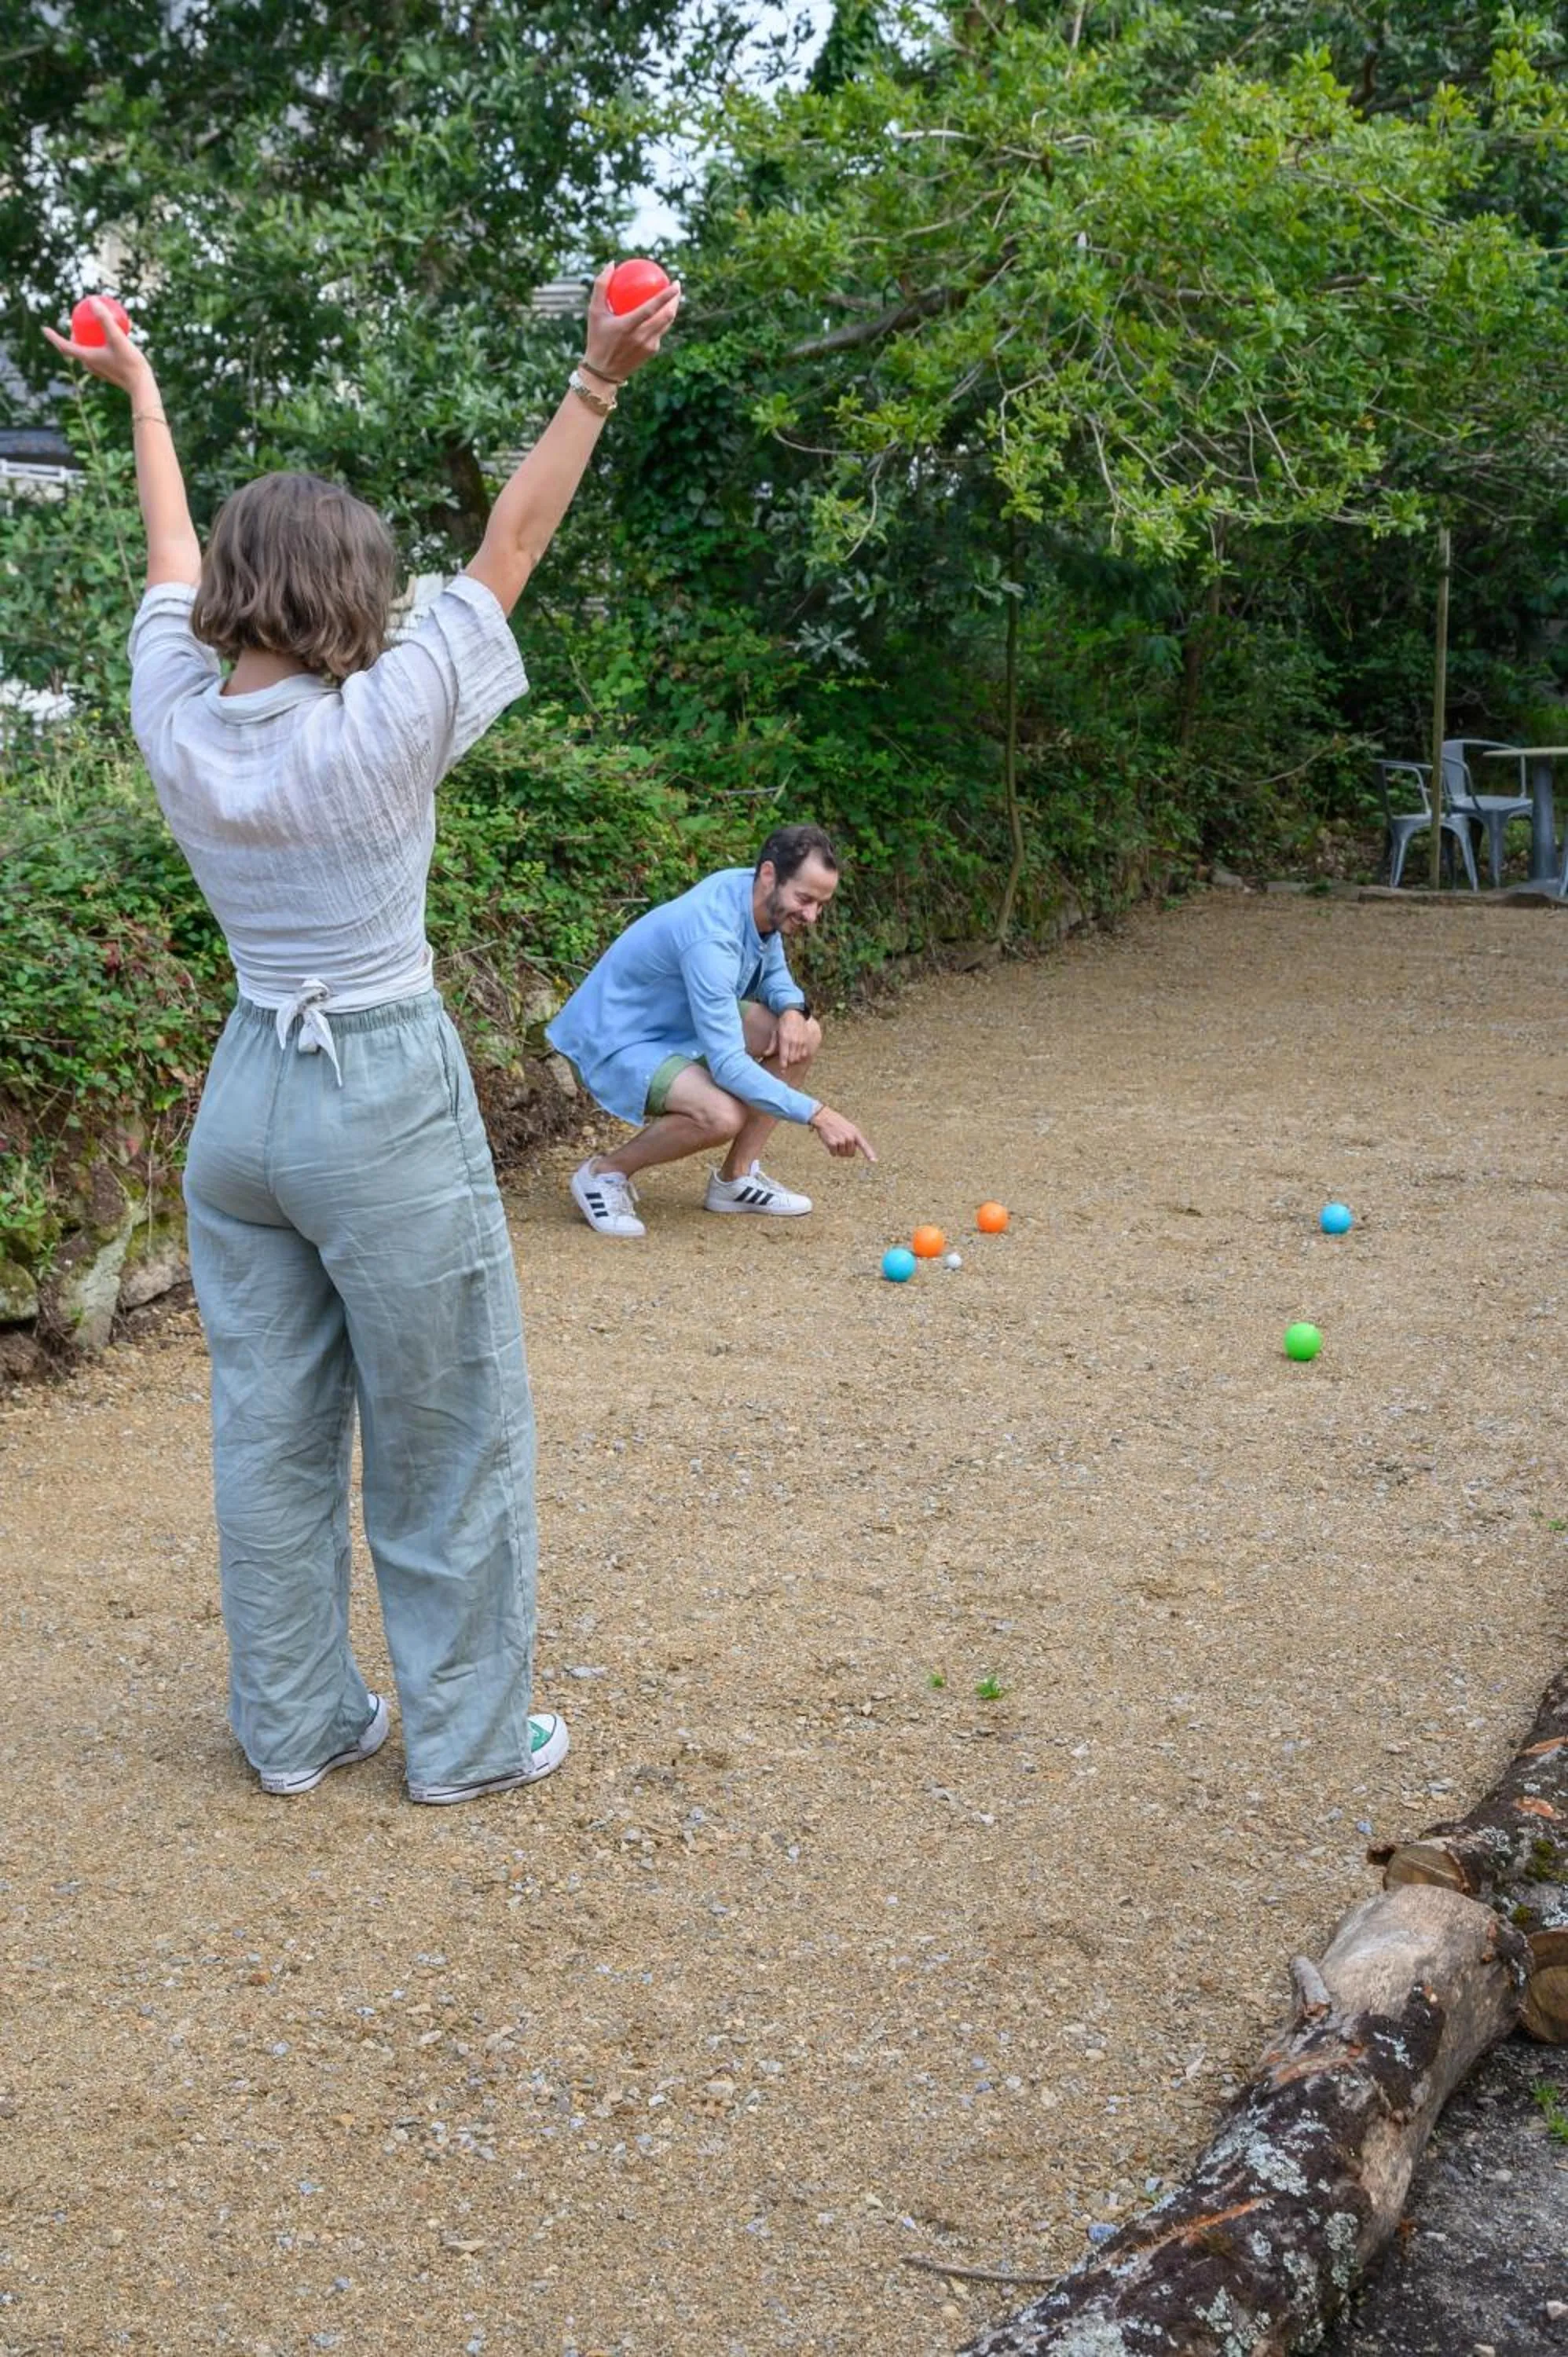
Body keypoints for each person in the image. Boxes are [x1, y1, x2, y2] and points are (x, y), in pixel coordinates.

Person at [43, 275, 680, 1803]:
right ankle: (466, 1741)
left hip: (245, 1101)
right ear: (352, 594)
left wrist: (142, 390)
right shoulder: (386, 719)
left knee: (267, 1434)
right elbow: (511, 544)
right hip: (379, 1089)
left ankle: (295, 1728)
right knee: (448, 1426)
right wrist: (594, 379)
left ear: (234, 595)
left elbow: (167, 555)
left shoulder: (175, 714)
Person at [546, 825, 876, 1238]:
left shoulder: (752, 895)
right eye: (805, 900)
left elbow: (772, 968)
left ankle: (736, 1180)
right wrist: (818, 1115)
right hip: (619, 1038)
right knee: (722, 1115)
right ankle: (604, 1174)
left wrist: (793, 1008)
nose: (812, 916)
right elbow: (729, 1067)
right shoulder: (712, 936)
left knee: (804, 1033)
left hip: (681, 1020)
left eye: (821, 904)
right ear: (769, 875)